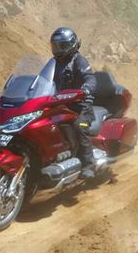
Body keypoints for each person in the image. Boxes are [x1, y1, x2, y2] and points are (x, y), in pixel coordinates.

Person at [50, 27, 97, 179]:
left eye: (61, 46)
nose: (57, 49)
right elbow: (42, 79)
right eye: (55, 46)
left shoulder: (78, 60)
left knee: (79, 127)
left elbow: (90, 77)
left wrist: (86, 88)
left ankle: (89, 165)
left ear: (71, 45)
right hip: (61, 106)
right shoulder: (53, 63)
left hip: (81, 107)